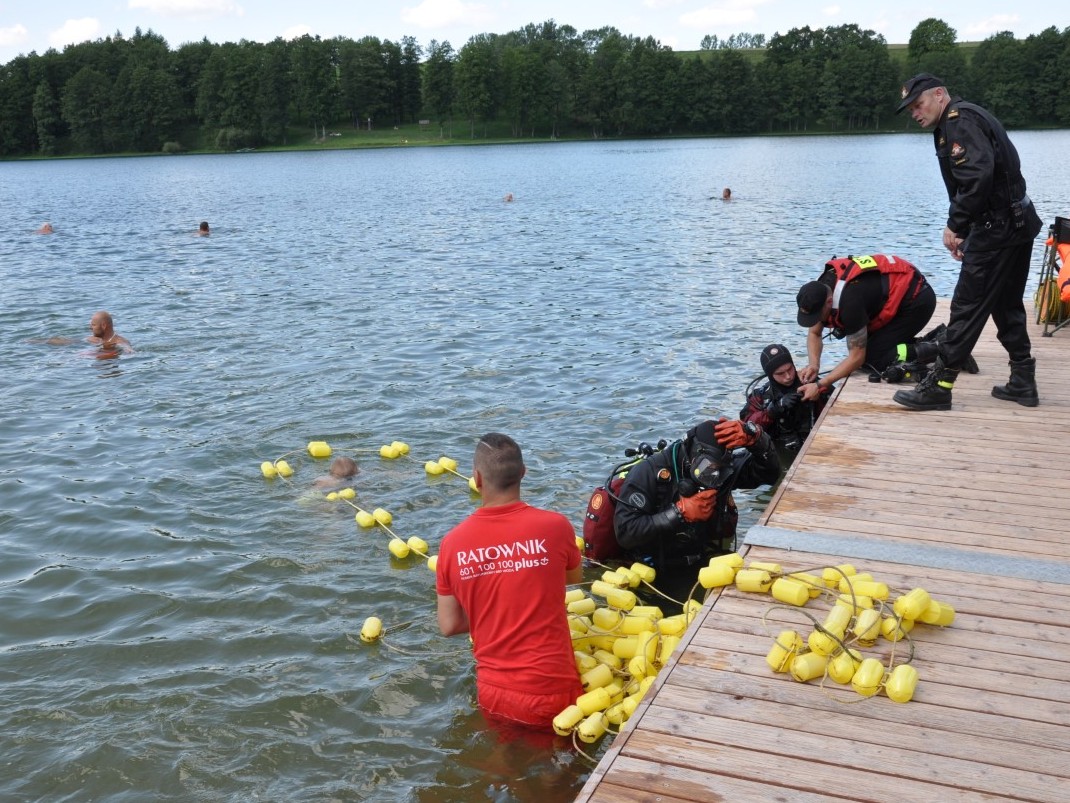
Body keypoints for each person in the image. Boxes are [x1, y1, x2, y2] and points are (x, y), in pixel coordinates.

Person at [892, 73, 1043, 411]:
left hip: (998, 229)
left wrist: (956, 225)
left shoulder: (958, 122)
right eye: (910, 109)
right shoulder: (965, 118)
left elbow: (977, 177)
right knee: (1006, 304)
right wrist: (970, 227)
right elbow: (984, 181)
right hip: (1015, 223)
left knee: (966, 306)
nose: (915, 112)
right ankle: (1023, 379)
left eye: (919, 104)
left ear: (940, 95)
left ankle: (939, 386)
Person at [436, 433, 583, 732]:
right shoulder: (555, 526)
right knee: (557, 774)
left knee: (506, 765)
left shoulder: (451, 544)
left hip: (492, 691)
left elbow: (449, 625)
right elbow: (572, 578)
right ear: (523, 473)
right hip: (551, 686)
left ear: (476, 478)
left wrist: (493, 609)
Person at [612, 418, 780, 576]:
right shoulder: (648, 472)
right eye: (707, 469)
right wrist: (679, 512)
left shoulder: (719, 473)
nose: (713, 478)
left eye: (719, 471)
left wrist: (757, 438)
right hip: (652, 569)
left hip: (701, 560)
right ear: (691, 458)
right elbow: (625, 532)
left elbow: (770, 475)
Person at [795, 253, 941, 401]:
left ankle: (940, 346)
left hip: (917, 300)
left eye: (817, 316)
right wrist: (814, 366)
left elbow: (857, 358)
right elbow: (815, 333)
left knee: (873, 359)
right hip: (890, 296)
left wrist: (820, 385)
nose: (816, 320)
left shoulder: (850, 303)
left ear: (829, 301)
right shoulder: (820, 291)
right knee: (873, 348)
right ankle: (932, 339)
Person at [740, 343, 831, 455]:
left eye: (790, 369)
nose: (788, 376)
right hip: (779, 448)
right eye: (780, 373)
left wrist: (818, 395)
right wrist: (772, 411)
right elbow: (747, 426)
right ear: (770, 374)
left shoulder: (811, 384)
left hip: (815, 442)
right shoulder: (761, 396)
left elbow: (838, 404)